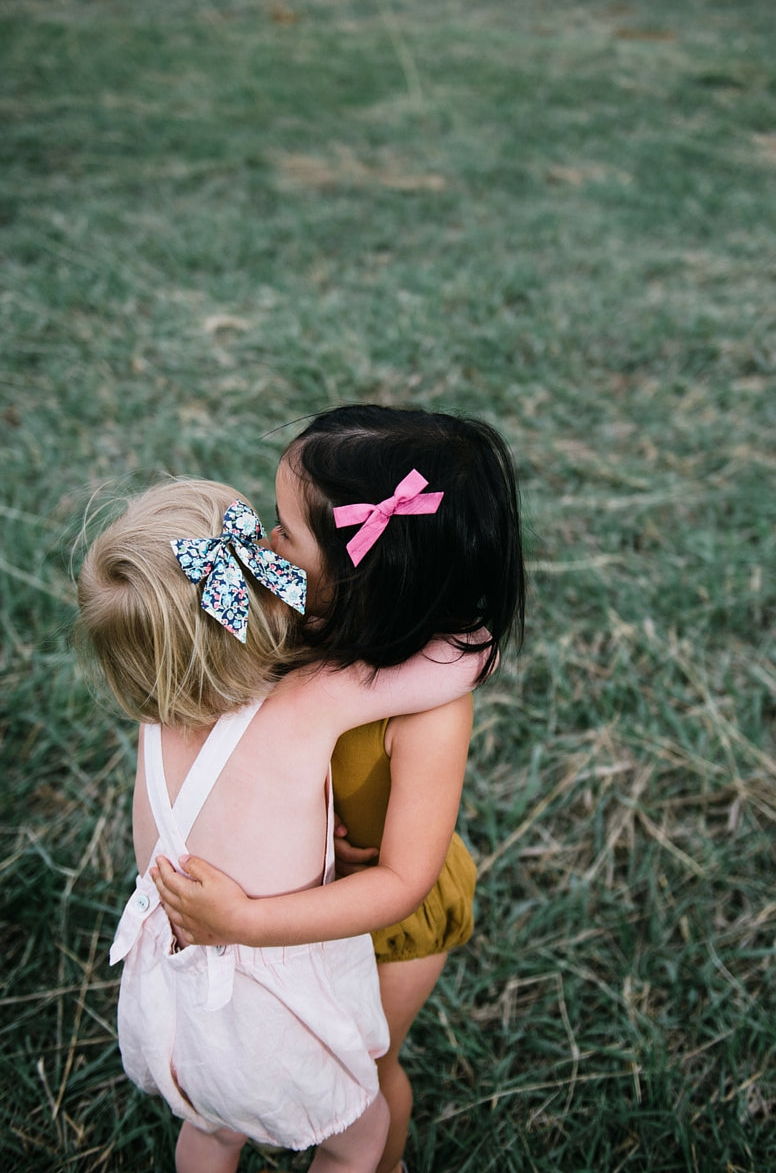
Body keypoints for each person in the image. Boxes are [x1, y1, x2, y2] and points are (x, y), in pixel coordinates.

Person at [76, 476, 489, 1173]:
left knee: (209, 1132)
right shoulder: (306, 702)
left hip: (176, 1000)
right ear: (251, 592)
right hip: (274, 1004)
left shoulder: (155, 714)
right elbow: (468, 654)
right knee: (361, 1136)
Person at [154, 406, 526, 1173]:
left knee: (360, 1082)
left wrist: (245, 922)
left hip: (380, 925)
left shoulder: (431, 708)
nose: (264, 540)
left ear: (367, 578)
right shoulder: (295, 618)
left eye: (285, 529)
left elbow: (402, 881)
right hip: (290, 885)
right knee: (248, 1081)